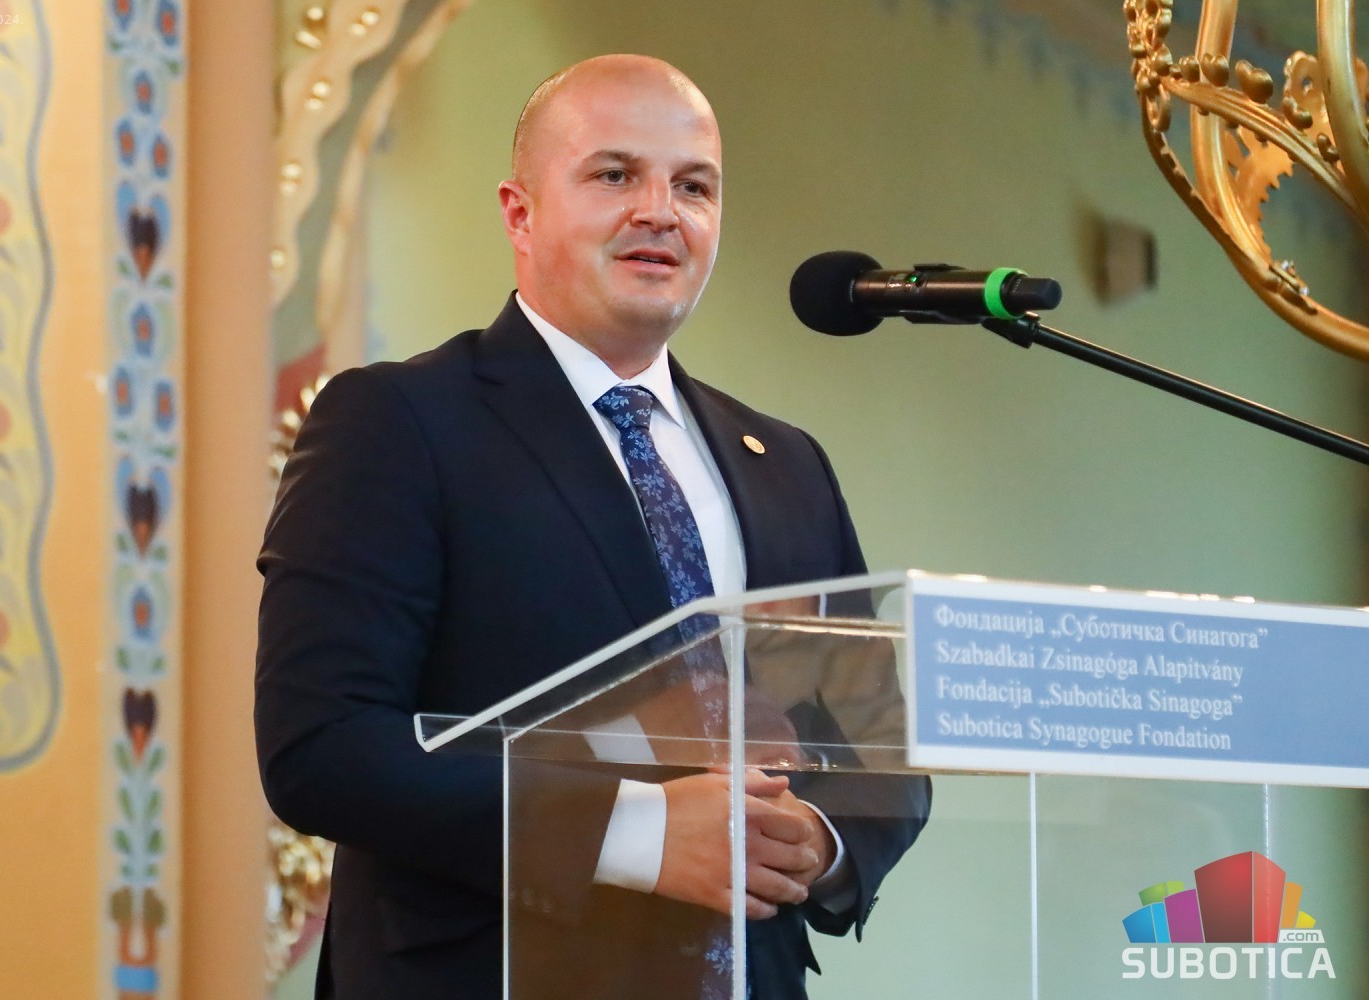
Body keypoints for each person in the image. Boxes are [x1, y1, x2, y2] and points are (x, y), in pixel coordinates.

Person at [255, 54, 930, 999]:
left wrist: (817, 841)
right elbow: (324, 746)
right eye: (615, 175)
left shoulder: (788, 465)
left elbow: (878, 746)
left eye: (693, 186)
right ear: (520, 214)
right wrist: (641, 837)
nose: (660, 211)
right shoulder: (401, 422)